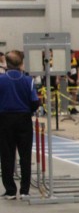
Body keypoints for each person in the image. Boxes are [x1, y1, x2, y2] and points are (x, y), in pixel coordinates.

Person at [0, 51, 39, 200]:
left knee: (7, 155)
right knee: (25, 155)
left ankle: (10, 190)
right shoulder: (28, 80)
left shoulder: (1, 80)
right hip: (24, 119)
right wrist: (29, 110)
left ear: (7, 64)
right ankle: (24, 190)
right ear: (21, 64)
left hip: (4, 120)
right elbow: (35, 102)